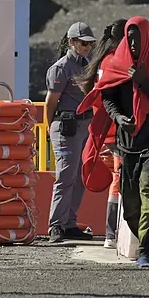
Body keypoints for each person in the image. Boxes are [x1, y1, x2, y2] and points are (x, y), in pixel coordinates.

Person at [77, 16, 149, 268]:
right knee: (130, 201)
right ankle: (141, 238)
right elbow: (107, 96)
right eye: (128, 39)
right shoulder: (118, 63)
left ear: (147, 37)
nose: (132, 43)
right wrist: (118, 117)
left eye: (136, 38)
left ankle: (145, 252)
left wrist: (146, 83)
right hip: (127, 141)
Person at [76, 19, 127, 249]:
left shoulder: (102, 62)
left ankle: (112, 234)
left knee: (116, 184)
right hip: (116, 134)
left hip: (103, 135)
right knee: (119, 183)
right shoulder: (119, 62)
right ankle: (112, 233)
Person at [45, 22, 97, 243]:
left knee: (80, 177)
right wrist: (49, 129)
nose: (87, 47)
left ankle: (68, 223)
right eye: (83, 43)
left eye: (89, 44)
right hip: (66, 126)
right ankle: (55, 225)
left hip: (84, 125)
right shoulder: (61, 67)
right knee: (65, 176)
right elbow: (51, 102)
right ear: (71, 42)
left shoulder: (88, 64)